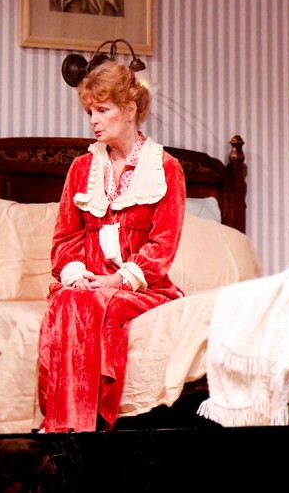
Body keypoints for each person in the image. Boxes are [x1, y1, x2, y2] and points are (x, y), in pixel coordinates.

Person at [36, 60, 186, 432]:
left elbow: (163, 245)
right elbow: (65, 240)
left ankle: (80, 429)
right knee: (68, 300)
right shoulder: (81, 169)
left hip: (143, 288)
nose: (94, 121)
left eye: (103, 110)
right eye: (90, 112)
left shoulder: (166, 168)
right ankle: (67, 430)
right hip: (87, 282)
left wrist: (117, 280)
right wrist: (78, 275)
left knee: (91, 304)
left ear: (130, 109)